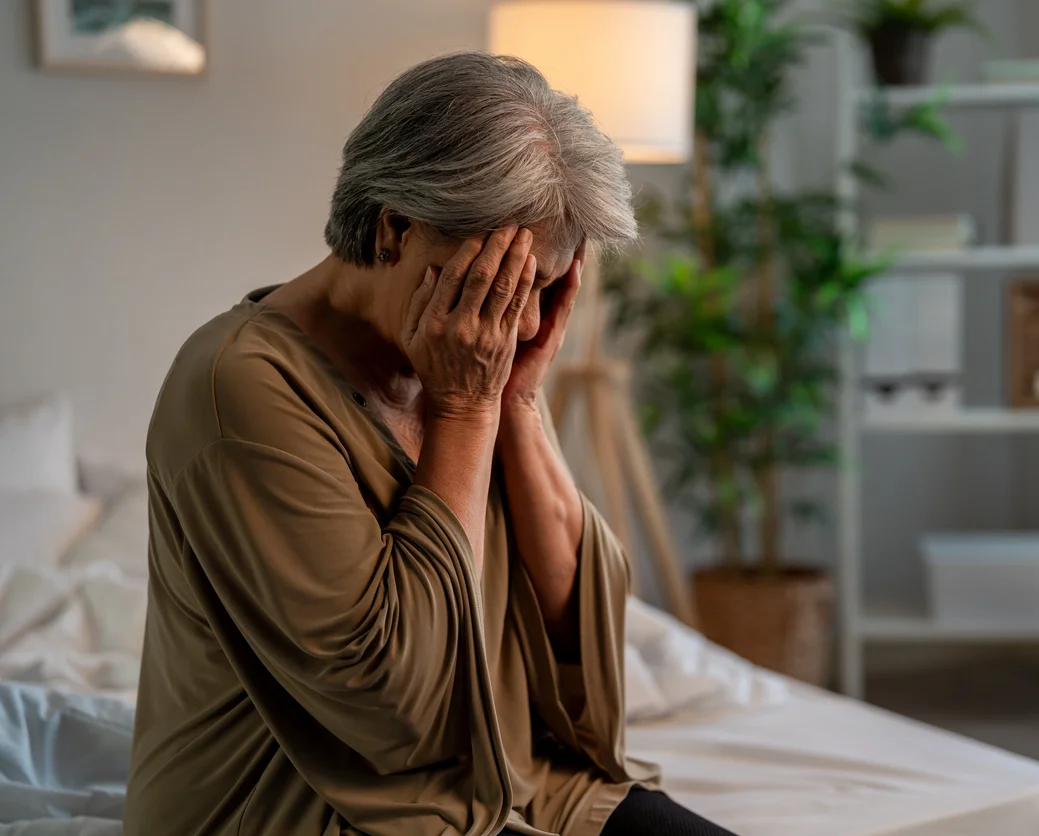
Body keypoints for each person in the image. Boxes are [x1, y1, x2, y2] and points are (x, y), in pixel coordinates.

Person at [124, 52, 737, 836]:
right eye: (490, 285)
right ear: (394, 230)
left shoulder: (469, 367)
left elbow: (574, 631)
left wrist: (514, 400)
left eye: (541, 287)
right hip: (321, 807)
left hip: (511, 777)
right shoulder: (237, 388)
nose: (516, 324)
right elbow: (394, 711)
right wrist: (467, 408)